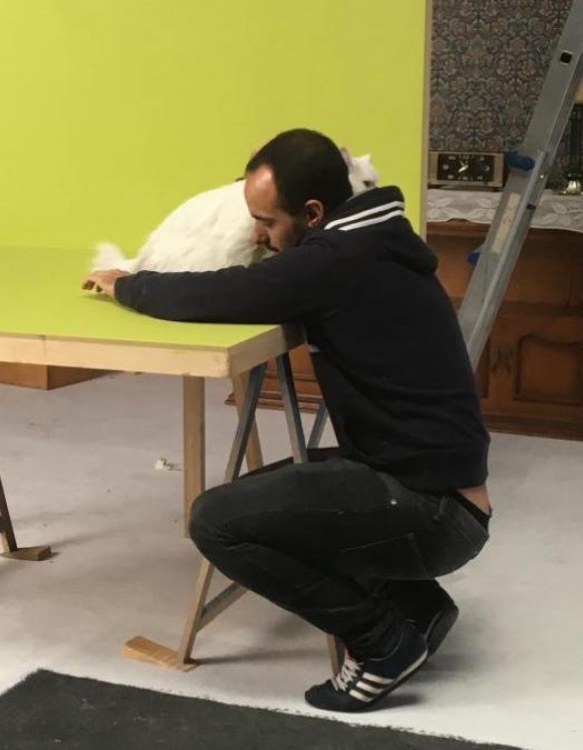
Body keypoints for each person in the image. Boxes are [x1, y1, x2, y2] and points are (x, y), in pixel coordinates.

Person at [82, 128, 492, 713]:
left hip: (431, 512)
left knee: (216, 522)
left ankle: (383, 645)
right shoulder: (376, 239)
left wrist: (127, 285)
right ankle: (420, 607)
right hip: (440, 493)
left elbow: (220, 294)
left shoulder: (334, 261)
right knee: (265, 499)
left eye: (267, 223)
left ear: (313, 213)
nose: (258, 236)